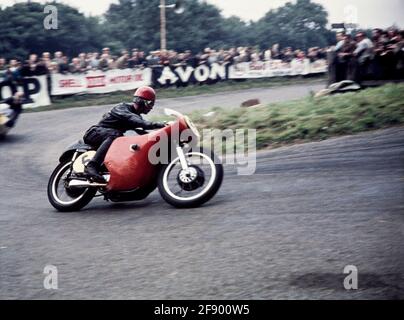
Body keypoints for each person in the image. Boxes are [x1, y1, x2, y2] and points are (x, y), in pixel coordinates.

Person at [82, 86, 166, 183]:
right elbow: (136, 120)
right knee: (115, 135)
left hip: (107, 137)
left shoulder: (136, 116)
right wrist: (161, 124)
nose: (151, 107)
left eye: (153, 104)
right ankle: (91, 166)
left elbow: (141, 132)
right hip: (94, 133)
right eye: (150, 103)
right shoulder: (122, 108)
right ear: (140, 101)